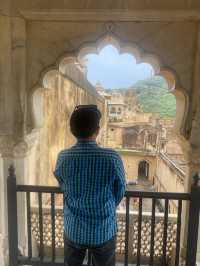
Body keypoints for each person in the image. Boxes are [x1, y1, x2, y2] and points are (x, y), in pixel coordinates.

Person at [54, 105, 126, 266]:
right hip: (103, 229)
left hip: (74, 229)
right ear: (97, 130)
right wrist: (105, 205)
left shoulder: (63, 157)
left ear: (72, 129)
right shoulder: (112, 157)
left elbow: (62, 184)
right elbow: (120, 189)